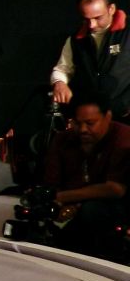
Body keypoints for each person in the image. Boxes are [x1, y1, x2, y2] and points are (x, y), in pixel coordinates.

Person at [43, 95, 130, 260]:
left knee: (92, 211)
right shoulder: (63, 139)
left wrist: (62, 197)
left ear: (107, 117)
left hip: (113, 208)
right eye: (77, 123)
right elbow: (51, 182)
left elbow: (115, 189)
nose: (83, 129)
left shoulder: (124, 138)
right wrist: (56, 201)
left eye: (90, 123)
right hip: (70, 207)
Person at [50, 0, 130, 123]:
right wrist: (59, 83)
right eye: (87, 19)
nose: (92, 25)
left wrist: (126, 103)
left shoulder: (127, 33)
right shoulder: (76, 39)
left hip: (125, 114)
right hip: (92, 117)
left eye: (98, 18)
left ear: (111, 9)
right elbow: (62, 68)